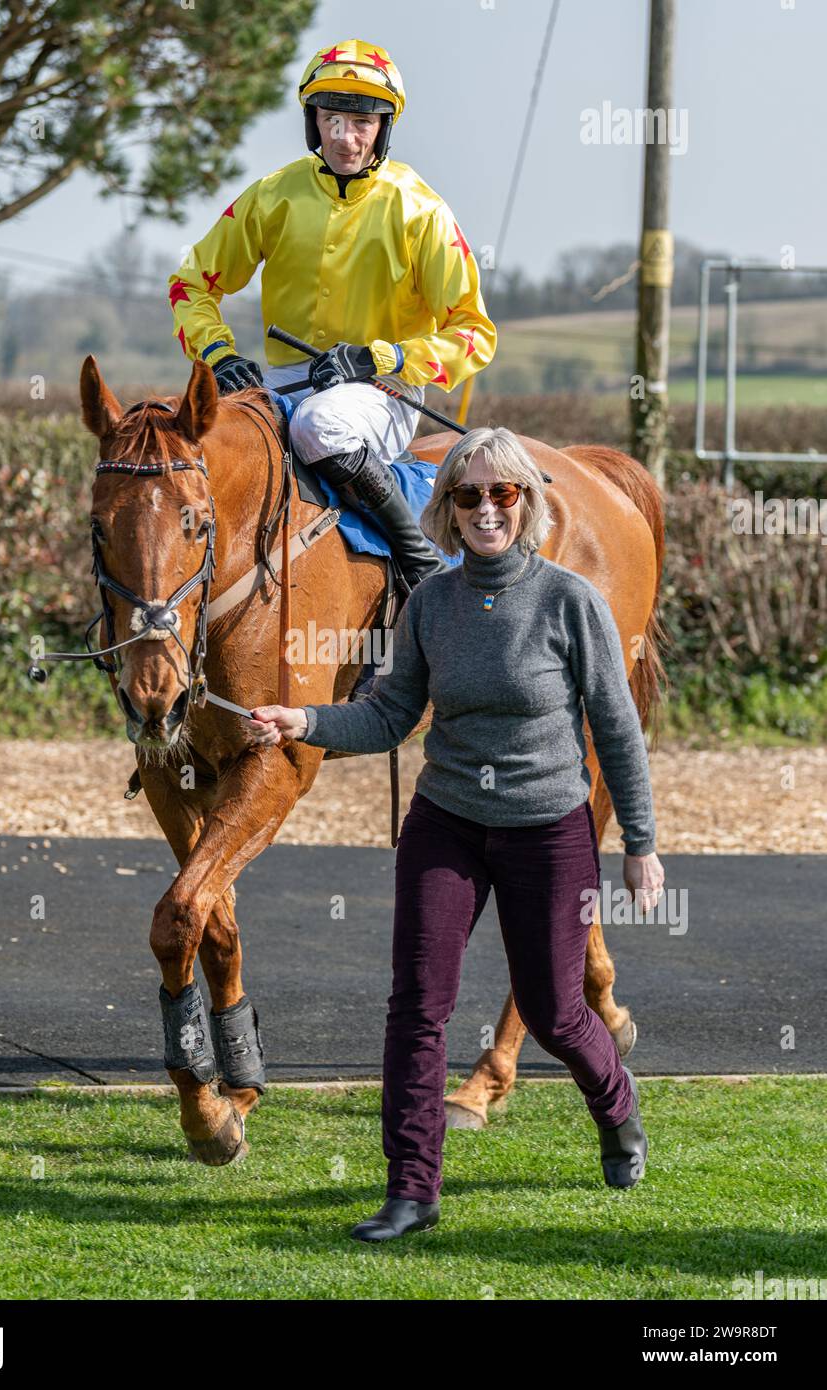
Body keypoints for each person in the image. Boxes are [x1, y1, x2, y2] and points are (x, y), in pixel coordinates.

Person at [246, 425, 666, 1243]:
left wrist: (640, 845)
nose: (484, 509)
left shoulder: (570, 603)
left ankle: (615, 1108)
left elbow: (616, 732)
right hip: (446, 825)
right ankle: (411, 1190)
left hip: (547, 828)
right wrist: (303, 719)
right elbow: (392, 714)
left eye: (501, 493)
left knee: (553, 1012)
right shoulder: (432, 603)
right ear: (445, 510)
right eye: (467, 495)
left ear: (529, 503)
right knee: (416, 1007)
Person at [167, 38, 497, 596]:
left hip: (383, 392)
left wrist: (380, 356)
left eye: (362, 122)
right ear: (312, 121)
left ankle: (418, 559)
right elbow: (189, 284)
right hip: (279, 383)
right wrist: (218, 354)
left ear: (384, 127)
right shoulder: (273, 195)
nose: (345, 137)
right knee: (199, 449)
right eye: (332, 119)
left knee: (318, 424)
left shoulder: (422, 211)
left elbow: (473, 335)